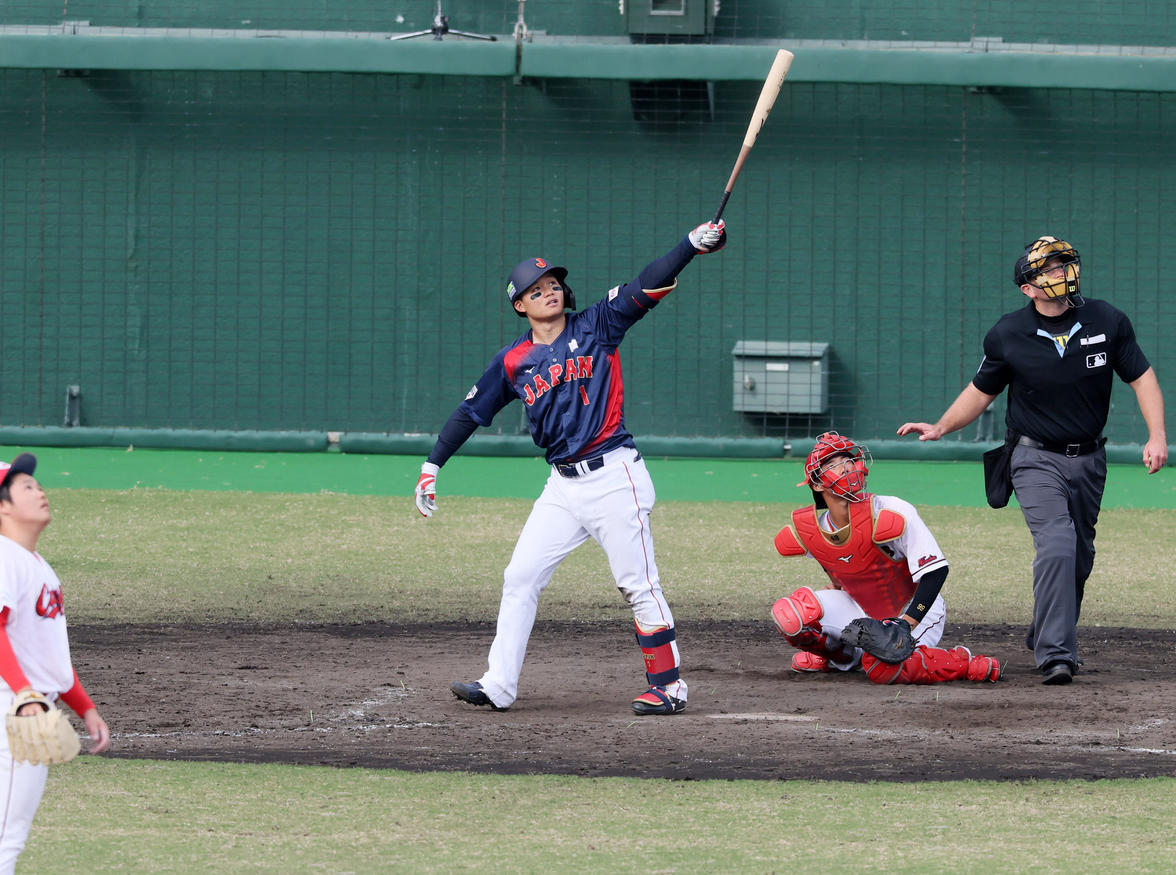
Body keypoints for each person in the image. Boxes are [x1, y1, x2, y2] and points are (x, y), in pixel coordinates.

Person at [415, 219, 727, 715]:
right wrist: (433, 464)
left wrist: (689, 245)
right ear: (519, 305)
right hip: (562, 486)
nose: (548, 292)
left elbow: (647, 283)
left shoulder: (598, 325)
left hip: (613, 476)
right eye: (535, 290)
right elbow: (471, 410)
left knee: (637, 585)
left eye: (553, 285)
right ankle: (499, 685)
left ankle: (669, 687)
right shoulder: (514, 360)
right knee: (520, 576)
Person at [898, 236, 1167, 685]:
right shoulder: (1008, 334)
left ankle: (1046, 626)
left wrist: (1157, 436)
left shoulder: (1108, 319)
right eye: (1051, 269)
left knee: (1079, 556)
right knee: (1058, 544)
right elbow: (979, 392)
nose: (1063, 273)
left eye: (1065, 265)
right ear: (1029, 287)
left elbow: (1143, 379)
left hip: (1090, 460)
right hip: (1033, 457)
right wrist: (943, 426)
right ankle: (1056, 655)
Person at [0, 452, 110, 874]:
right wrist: (25, 694)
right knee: (1, 841)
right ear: (2, 507)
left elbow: (46, 655)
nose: (40, 491)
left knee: (9, 838)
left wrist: (84, 706)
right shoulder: (1, 558)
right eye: (26, 487)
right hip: (4, 709)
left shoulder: (38, 566)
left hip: (23, 706)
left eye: (38, 485)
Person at [771, 431, 1001, 685]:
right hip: (859, 608)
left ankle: (960, 662)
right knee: (791, 615)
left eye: (849, 459)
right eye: (834, 463)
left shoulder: (891, 510)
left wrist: (906, 623)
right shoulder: (811, 527)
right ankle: (843, 657)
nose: (848, 466)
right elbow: (846, 565)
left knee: (883, 668)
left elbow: (935, 571)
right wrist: (836, 588)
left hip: (911, 606)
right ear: (816, 484)